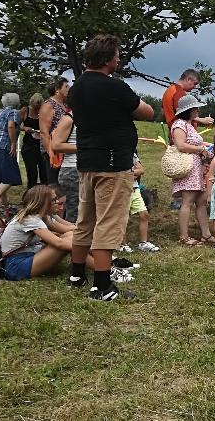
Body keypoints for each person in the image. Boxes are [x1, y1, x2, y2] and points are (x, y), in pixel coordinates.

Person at [68, 34, 154, 301]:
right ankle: (102, 286)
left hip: (87, 163)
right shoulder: (114, 87)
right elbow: (147, 112)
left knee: (86, 220)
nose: (119, 59)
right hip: (113, 163)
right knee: (108, 222)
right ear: (107, 59)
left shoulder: (76, 87)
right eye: (117, 55)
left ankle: (77, 274)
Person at [0, 185, 96, 281]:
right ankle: (103, 268)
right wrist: (92, 246)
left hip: (26, 257)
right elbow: (59, 243)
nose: (57, 202)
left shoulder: (42, 217)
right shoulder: (31, 219)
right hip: (16, 266)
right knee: (67, 243)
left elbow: (68, 231)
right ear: (43, 203)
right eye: (54, 200)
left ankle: (104, 265)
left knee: (70, 237)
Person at [162, 69, 214, 211]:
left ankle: (184, 200)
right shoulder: (177, 92)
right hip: (183, 137)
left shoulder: (169, 90)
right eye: (195, 83)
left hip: (178, 135)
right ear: (188, 79)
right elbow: (184, 112)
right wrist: (202, 120)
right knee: (186, 169)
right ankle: (185, 201)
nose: (195, 87)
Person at [171, 94, 215, 247]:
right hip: (188, 168)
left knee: (201, 202)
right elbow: (181, 145)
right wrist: (201, 149)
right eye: (195, 108)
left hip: (197, 168)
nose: (197, 110)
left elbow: (195, 142)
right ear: (188, 110)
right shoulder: (179, 124)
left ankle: (206, 234)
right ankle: (184, 236)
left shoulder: (189, 124)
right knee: (187, 202)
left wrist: (208, 148)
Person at [120, 153, 159, 253]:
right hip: (120, 189)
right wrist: (131, 174)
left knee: (144, 214)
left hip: (135, 189)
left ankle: (143, 243)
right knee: (123, 217)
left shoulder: (131, 153)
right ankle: (122, 244)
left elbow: (141, 170)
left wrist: (128, 174)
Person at [39, 76, 70, 184]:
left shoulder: (65, 105)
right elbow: (44, 132)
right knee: (53, 183)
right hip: (53, 150)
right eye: (66, 86)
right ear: (57, 90)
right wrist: (50, 153)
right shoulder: (48, 105)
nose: (68, 88)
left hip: (64, 149)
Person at [51, 112, 79, 222]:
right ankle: (71, 237)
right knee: (74, 212)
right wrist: (85, 147)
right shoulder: (69, 118)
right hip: (72, 169)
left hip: (87, 169)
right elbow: (56, 145)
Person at [19, 93, 48, 188]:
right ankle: (31, 193)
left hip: (42, 144)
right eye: (35, 108)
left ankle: (44, 194)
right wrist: (25, 128)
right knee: (32, 172)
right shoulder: (25, 110)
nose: (37, 110)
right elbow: (17, 125)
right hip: (29, 144)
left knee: (44, 172)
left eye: (39, 108)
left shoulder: (44, 112)